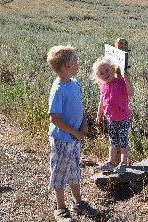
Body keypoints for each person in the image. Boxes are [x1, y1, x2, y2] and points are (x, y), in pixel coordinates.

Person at [46, 45, 98, 221]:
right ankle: (60, 208)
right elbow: (54, 119)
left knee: (74, 171)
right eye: (76, 62)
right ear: (67, 65)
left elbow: (79, 106)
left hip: (74, 139)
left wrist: (83, 123)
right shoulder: (58, 90)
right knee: (60, 172)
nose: (78, 64)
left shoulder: (74, 83)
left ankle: (78, 203)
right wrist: (75, 132)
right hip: (62, 139)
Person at [91, 57, 134, 174]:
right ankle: (111, 162)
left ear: (113, 69)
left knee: (123, 141)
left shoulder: (120, 82)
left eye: (107, 70)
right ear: (98, 76)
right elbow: (102, 102)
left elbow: (131, 93)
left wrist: (128, 81)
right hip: (110, 119)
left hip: (122, 118)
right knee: (113, 141)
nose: (105, 74)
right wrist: (98, 115)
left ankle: (123, 164)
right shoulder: (103, 87)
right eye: (101, 73)